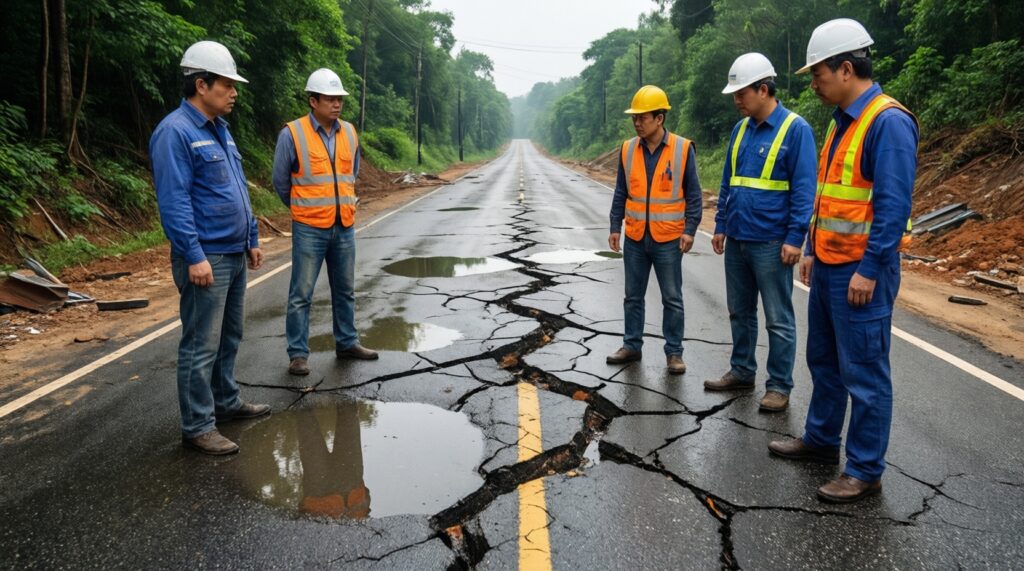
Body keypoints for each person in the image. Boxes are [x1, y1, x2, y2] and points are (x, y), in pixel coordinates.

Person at [767, 18, 919, 504]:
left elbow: (894, 209)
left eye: (819, 74)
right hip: (830, 266)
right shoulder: (841, 122)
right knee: (825, 361)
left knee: (866, 374)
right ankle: (820, 440)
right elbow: (830, 197)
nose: (814, 84)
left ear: (847, 68)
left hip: (861, 273)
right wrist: (811, 247)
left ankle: (865, 469)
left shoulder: (887, 122)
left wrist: (871, 269)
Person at [150, 40, 271, 456]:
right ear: (201, 84)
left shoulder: (220, 129)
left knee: (229, 335)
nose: (234, 92)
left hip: (234, 252)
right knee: (201, 342)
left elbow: (236, 189)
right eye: (227, 84)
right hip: (205, 257)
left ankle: (226, 401)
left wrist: (251, 237)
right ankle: (198, 425)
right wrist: (194, 255)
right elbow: (174, 200)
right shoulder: (175, 132)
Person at [705, 53, 817, 412]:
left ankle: (780, 386)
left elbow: (803, 191)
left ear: (764, 89)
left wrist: (794, 239)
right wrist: (720, 225)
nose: (736, 100)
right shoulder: (740, 130)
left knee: (778, 318)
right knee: (740, 311)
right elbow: (728, 182)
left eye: (742, 93)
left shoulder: (795, 129)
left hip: (772, 243)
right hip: (737, 238)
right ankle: (742, 370)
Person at [272, 68, 378, 377]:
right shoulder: (292, 133)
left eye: (339, 99)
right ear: (313, 101)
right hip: (309, 228)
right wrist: (303, 207)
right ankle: (298, 354)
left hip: (343, 224)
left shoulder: (349, 132)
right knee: (301, 293)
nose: (337, 104)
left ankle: (347, 342)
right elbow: (280, 181)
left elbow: (351, 173)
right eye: (330, 99)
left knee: (345, 290)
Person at [607, 85, 702, 375]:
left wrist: (690, 230)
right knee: (632, 296)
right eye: (634, 118)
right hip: (636, 236)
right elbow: (621, 191)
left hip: (669, 238)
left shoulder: (683, 149)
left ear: (659, 118)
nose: (637, 123)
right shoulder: (627, 149)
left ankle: (674, 353)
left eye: (642, 117)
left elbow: (695, 195)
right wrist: (615, 225)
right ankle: (632, 346)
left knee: (672, 297)